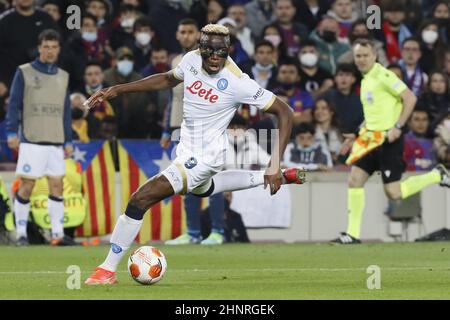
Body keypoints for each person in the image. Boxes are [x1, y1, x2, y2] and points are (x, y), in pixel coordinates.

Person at [84, 24, 306, 284]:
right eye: (209, 50)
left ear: (228, 50)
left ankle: (106, 270)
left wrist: (274, 162)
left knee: (139, 199)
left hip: (208, 154)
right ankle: (278, 176)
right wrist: (119, 89)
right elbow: (168, 79)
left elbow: (285, 112)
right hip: (187, 147)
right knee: (205, 189)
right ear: (200, 48)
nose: (215, 56)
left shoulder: (238, 82)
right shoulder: (189, 60)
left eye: (221, 51)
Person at [331, 39, 450, 244]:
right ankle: (352, 234)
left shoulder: (383, 75)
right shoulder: (366, 79)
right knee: (354, 180)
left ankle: (436, 174)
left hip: (388, 141)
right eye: (358, 56)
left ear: (375, 56)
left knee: (394, 193)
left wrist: (398, 127)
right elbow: (375, 113)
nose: (361, 60)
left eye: (365, 55)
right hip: (370, 139)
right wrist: (358, 134)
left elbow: (410, 97)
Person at [5, 29, 73, 246]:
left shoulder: (63, 76)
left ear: (59, 49)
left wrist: (69, 140)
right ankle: (22, 234)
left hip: (55, 140)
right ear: (39, 48)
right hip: (31, 140)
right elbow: (14, 104)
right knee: (27, 186)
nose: (50, 51)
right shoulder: (24, 72)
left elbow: (66, 111)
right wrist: (11, 131)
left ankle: (57, 234)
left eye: (54, 47)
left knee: (57, 186)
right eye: (46, 46)